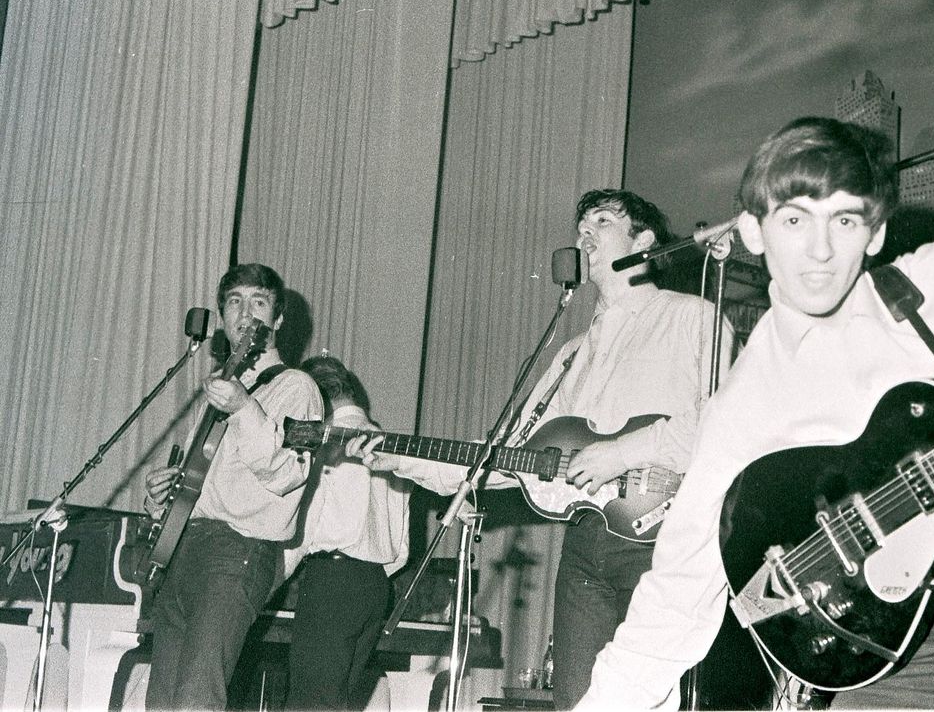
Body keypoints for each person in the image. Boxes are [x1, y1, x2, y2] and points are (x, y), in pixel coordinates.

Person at [578, 117, 934, 710]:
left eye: (846, 220)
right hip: (910, 662)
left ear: (874, 233)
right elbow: (676, 595)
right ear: (753, 229)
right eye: (796, 219)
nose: (822, 250)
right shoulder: (747, 405)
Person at [349, 189, 732, 709]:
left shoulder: (694, 318)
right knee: (576, 701)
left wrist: (621, 453)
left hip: (669, 540)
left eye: (602, 221)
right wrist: (405, 460)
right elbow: (510, 459)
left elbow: (722, 427)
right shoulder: (572, 354)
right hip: (583, 549)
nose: (584, 235)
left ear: (644, 241)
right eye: (580, 227)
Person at [143, 263, 323, 710]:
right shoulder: (223, 388)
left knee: (196, 701)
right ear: (222, 315)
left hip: (238, 553)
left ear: (277, 320)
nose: (245, 313)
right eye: (234, 301)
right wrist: (161, 498)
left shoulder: (299, 389)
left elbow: (288, 474)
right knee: (161, 703)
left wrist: (245, 408)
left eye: (258, 302)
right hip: (187, 549)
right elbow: (200, 485)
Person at [281, 353, 411, 710]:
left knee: (310, 704)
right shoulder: (395, 449)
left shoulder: (327, 443)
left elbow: (301, 528)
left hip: (331, 582)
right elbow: (400, 549)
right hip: (374, 588)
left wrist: (267, 581)